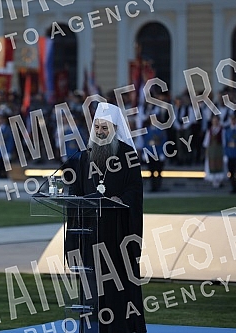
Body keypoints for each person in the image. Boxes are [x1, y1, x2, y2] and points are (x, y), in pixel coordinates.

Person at [65, 103, 146, 333]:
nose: (100, 132)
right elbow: (76, 192)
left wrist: (122, 199)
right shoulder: (84, 157)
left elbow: (135, 189)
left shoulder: (128, 154)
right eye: (97, 127)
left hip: (118, 235)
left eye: (104, 127)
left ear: (114, 128)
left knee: (118, 288)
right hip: (90, 234)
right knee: (92, 288)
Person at [202, 115, 225, 188]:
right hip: (211, 150)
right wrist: (206, 153)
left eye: (216, 120)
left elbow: (224, 142)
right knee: (212, 164)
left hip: (219, 149)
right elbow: (206, 143)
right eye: (214, 120)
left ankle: (219, 180)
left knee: (219, 164)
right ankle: (213, 180)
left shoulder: (222, 130)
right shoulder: (209, 131)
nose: (215, 122)